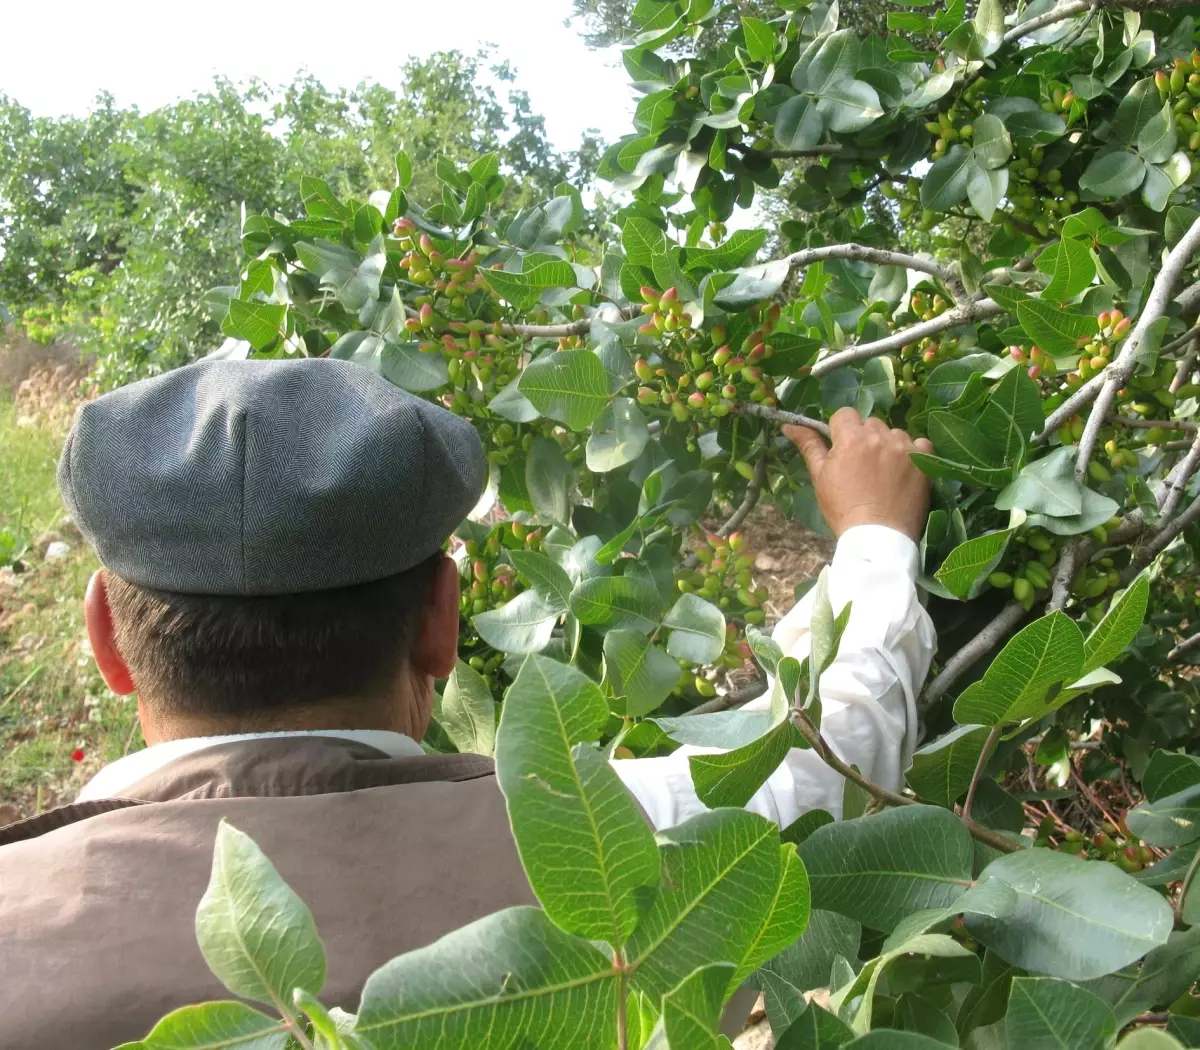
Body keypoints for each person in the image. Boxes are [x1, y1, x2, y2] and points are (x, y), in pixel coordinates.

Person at [0, 358, 935, 1049]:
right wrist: (876, 539)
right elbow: (831, 758)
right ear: (443, 625)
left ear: (106, 642)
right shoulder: (625, 850)